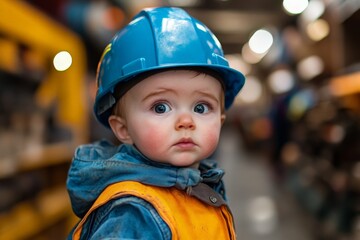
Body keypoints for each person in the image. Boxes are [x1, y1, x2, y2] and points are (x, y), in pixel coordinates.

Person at [66, 6, 245, 239]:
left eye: (201, 107)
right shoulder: (133, 213)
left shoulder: (197, 185)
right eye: (160, 107)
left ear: (221, 120)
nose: (186, 121)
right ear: (123, 128)